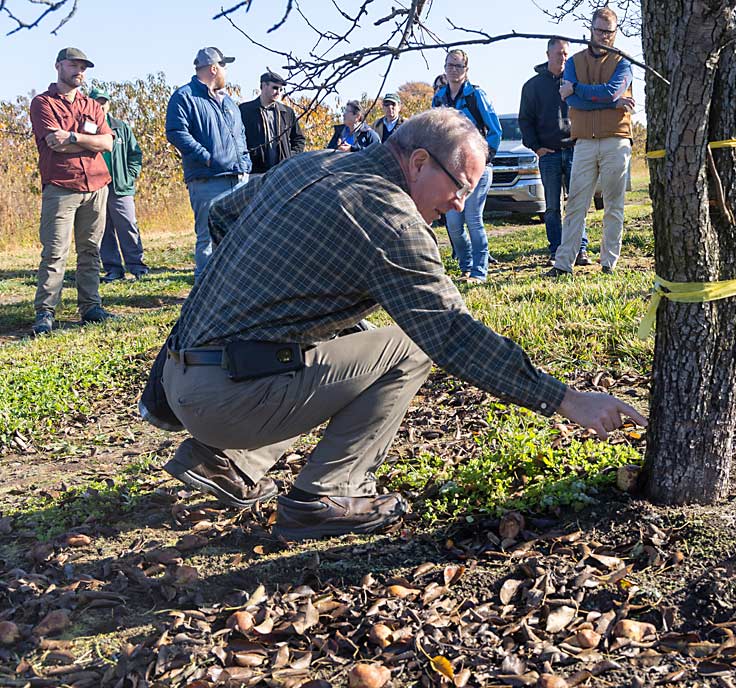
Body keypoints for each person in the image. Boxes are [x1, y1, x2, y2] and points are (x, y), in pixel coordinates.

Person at [157, 108, 645, 541]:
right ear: (417, 163)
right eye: (459, 187)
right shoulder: (389, 217)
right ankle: (325, 495)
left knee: (351, 340)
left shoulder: (307, 167)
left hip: (180, 377)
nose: (459, 204)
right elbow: (451, 333)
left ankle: (229, 461)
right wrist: (566, 398)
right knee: (408, 348)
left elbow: (223, 216)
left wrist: (281, 300)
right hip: (226, 398)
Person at [28, 47, 115, 336]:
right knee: (55, 252)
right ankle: (45, 312)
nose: (80, 71)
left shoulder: (91, 105)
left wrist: (76, 137)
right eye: (74, 65)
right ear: (58, 66)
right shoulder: (43, 103)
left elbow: (108, 144)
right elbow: (55, 142)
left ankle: (91, 307)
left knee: (90, 251)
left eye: (83, 67)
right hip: (62, 186)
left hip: (97, 185)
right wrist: (90, 141)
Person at [545, 8, 634, 277]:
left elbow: (610, 90)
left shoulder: (624, 62)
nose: (604, 36)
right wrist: (610, 102)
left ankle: (609, 263)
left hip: (616, 140)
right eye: (599, 30)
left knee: (613, 205)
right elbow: (569, 99)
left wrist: (580, 91)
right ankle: (563, 264)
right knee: (575, 205)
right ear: (591, 29)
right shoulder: (573, 62)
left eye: (609, 31)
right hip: (583, 141)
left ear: (615, 32)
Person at [165, 47, 251, 283]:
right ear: (214, 68)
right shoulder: (184, 97)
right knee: (208, 240)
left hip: (239, 178)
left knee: (239, 238)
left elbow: (240, 134)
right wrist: (206, 157)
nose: (226, 71)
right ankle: (204, 292)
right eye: (224, 66)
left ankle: (234, 289)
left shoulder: (230, 102)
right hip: (208, 181)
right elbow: (175, 132)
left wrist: (244, 162)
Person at [431, 50, 502, 283]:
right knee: (453, 224)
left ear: (466, 70)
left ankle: (479, 272)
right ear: (444, 68)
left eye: (459, 66)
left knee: (473, 218)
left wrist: (484, 157)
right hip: (451, 171)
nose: (454, 70)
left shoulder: (476, 96)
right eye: (450, 65)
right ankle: (466, 267)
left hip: (477, 170)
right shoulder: (439, 97)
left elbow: (495, 130)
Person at [519, 38, 589, 268]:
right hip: (548, 153)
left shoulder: (576, 82)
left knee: (577, 204)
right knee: (551, 207)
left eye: (566, 54)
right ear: (548, 54)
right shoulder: (532, 86)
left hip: (574, 150)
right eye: (559, 53)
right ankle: (557, 250)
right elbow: (525, 121)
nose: (563, 58)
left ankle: (580, 250)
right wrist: (536, 147)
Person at [90, 87, 148, 283]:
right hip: (96, 187)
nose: (101, 105)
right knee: (104, 230)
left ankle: (138, 267)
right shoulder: (86, 128)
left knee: (128, 225)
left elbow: (135, 154)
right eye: (96, 102)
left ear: (108, 104)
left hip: (120, 186)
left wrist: (130, 176)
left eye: (103, 101)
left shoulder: (121, 127)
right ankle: (113, 269)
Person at [240, 70, 306, 175]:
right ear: (263, 85)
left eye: (281, 89)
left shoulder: (287, 112)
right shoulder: (245, 110)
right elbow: (238, 138)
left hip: (282, 172)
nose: (278, 92)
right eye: (275, 88)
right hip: (255, 171)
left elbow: (299, 139)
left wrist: (290, 157)